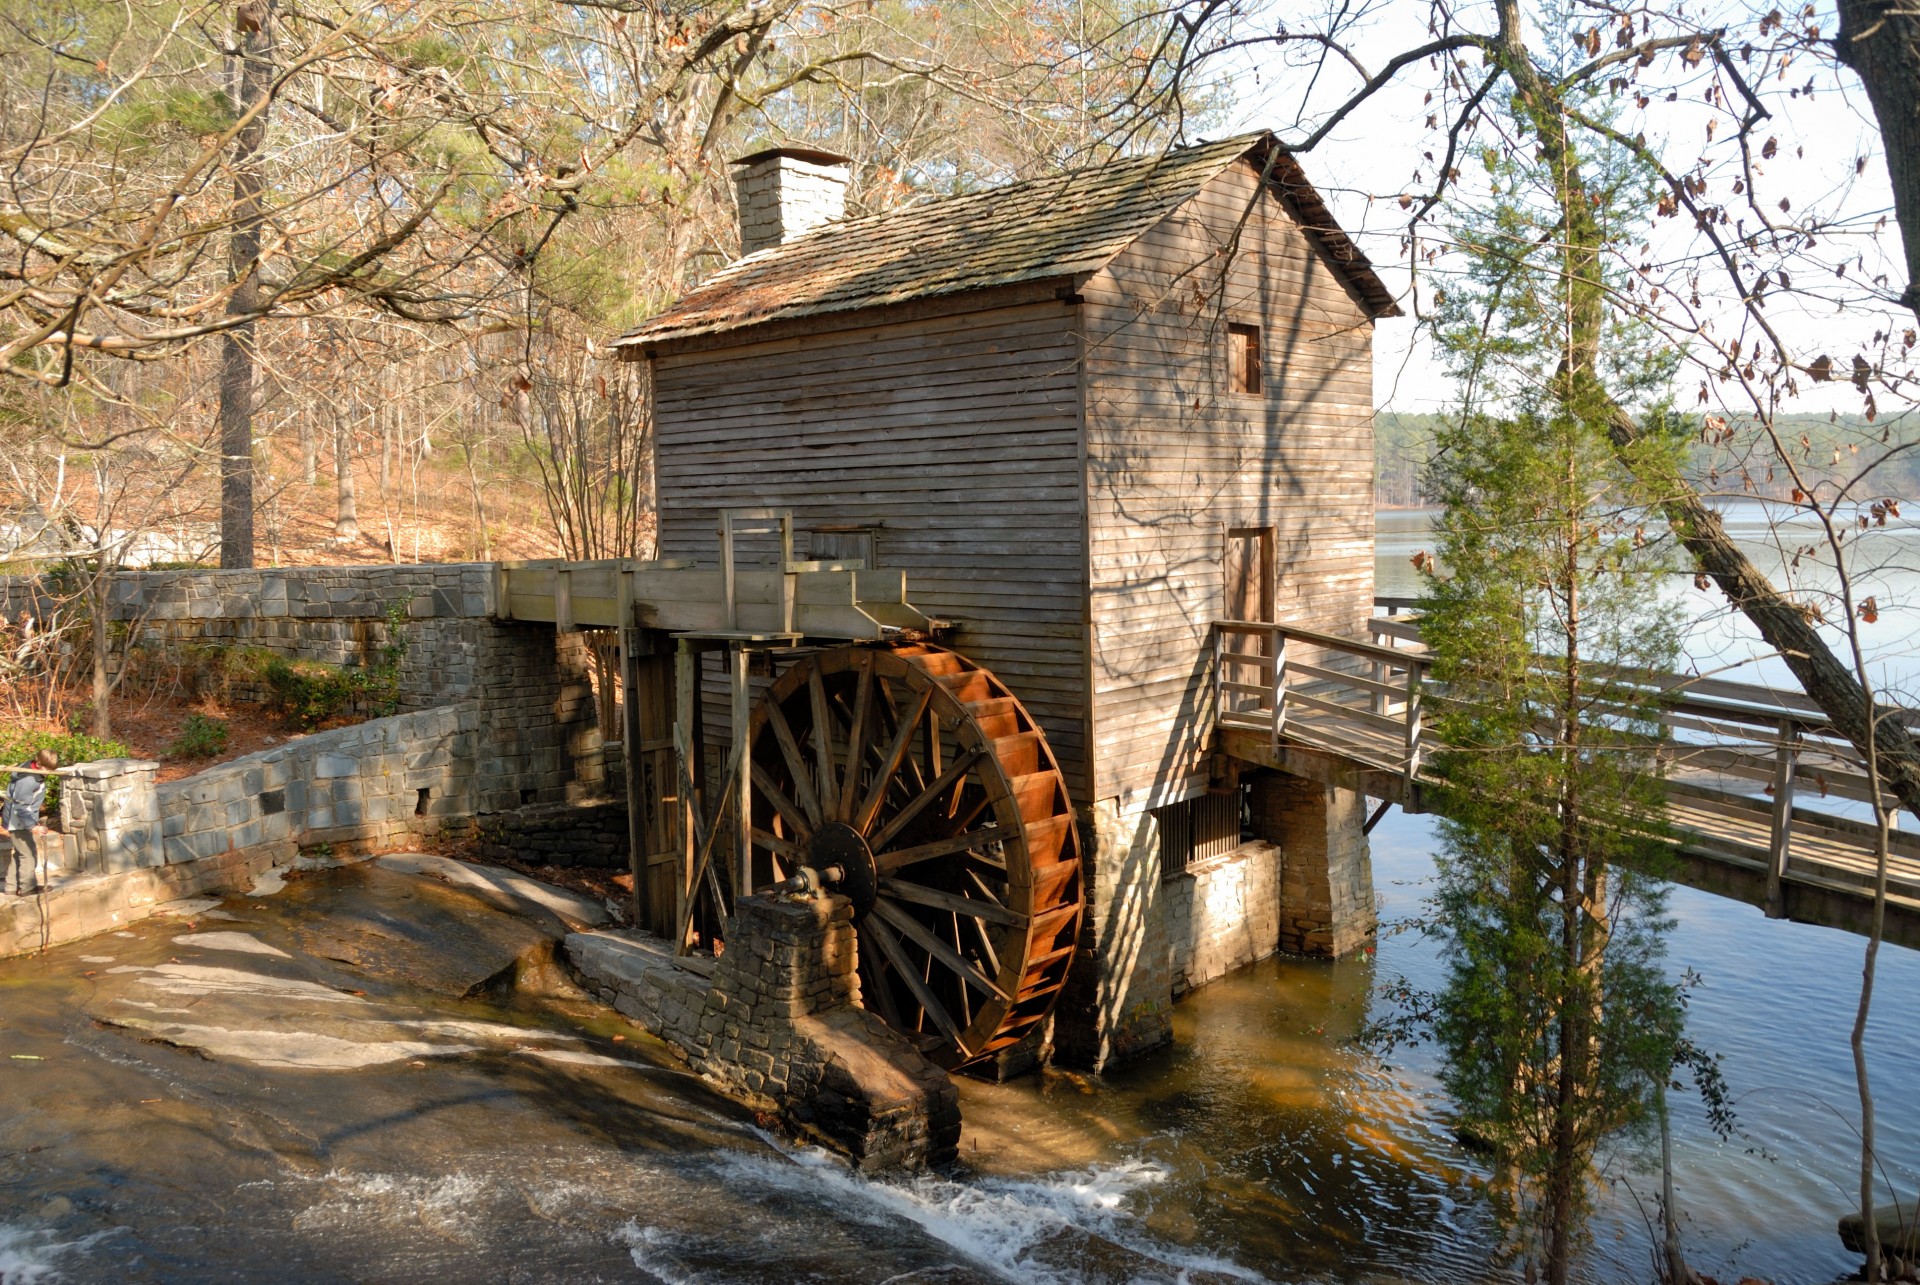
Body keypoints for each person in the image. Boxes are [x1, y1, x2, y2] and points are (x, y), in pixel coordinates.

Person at [4, 748, 59, 895]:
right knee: (28, 854)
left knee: (20, 853)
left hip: (20, 820)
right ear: (39, 762)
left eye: (51, 769)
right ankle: (27, 888)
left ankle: (11, 887)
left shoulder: (31, 770)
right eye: (46, 768)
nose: (48, 772)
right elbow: (21, 805)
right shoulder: (28, 779)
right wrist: (32, 826)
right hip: (18, 821)